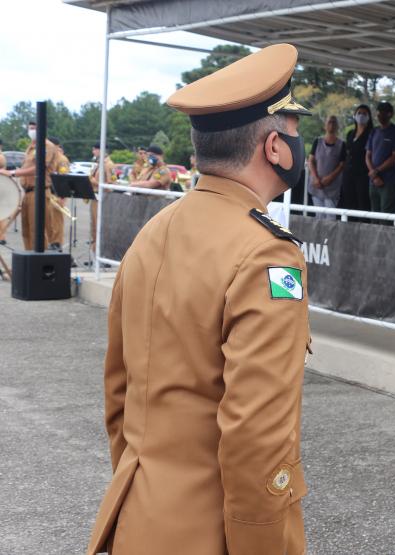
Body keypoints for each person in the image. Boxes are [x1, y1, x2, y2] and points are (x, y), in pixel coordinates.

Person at [85, 44, 312, 555]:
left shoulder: (154, 231)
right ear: (273, 147)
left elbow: (118, 392)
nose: (301, 146)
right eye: (296, 134)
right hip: (214, 535)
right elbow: (258, 436)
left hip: (136, 518)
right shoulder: (266, 257)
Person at [0, 121, 64, 251]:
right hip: (27, 192)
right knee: (27, 231)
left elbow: (39, 168)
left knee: (38, 232)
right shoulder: (31, 147)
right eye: (30, 128)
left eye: (34, 128)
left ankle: (40, 263)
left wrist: (13, 172)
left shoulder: (47, 146)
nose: (31, 131)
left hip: (39, 192)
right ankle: (29, 263)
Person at [365, 101, 395, 214]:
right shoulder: (374, 131)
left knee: (386, 213)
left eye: (382, 113)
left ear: (390, 114)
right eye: (378, 114)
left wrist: (377, 171)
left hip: (388, 180)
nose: (379, 116)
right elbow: (368, 155)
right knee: (374, 213)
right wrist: (373, 173)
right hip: (373, 180)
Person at [307, 115, 347, 219]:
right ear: (325, 125)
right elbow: (311, 160)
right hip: (316, 186)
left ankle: (329, 236)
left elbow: (342, 165)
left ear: (337, 126)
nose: (331, 124)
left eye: (334, 122)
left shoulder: (341, 144)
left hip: (332, 188)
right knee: (319, 216)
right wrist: (315, 178)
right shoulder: (317, 141)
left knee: (331, 217)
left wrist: (330, 178)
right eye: (329, 122)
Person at [340, 104, 373, 215]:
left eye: (364, 113)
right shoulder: (350, 134)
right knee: (349, 203)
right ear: (354, 115)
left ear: (369, 117)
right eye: (359, 113)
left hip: (363, 174)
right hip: (349, 174)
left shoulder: (371, 133)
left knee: (363, 204)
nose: (361, 116)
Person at [87, 143, 117, 249]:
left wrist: (93, 181)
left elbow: (112, 184)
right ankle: (95, 252)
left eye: (95, 149)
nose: (93, 152)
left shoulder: (108, 164)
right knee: (94, 226)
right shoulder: (98, 163)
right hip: (95, 197)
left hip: (103, 198)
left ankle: (104, 252)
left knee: (102, 227)